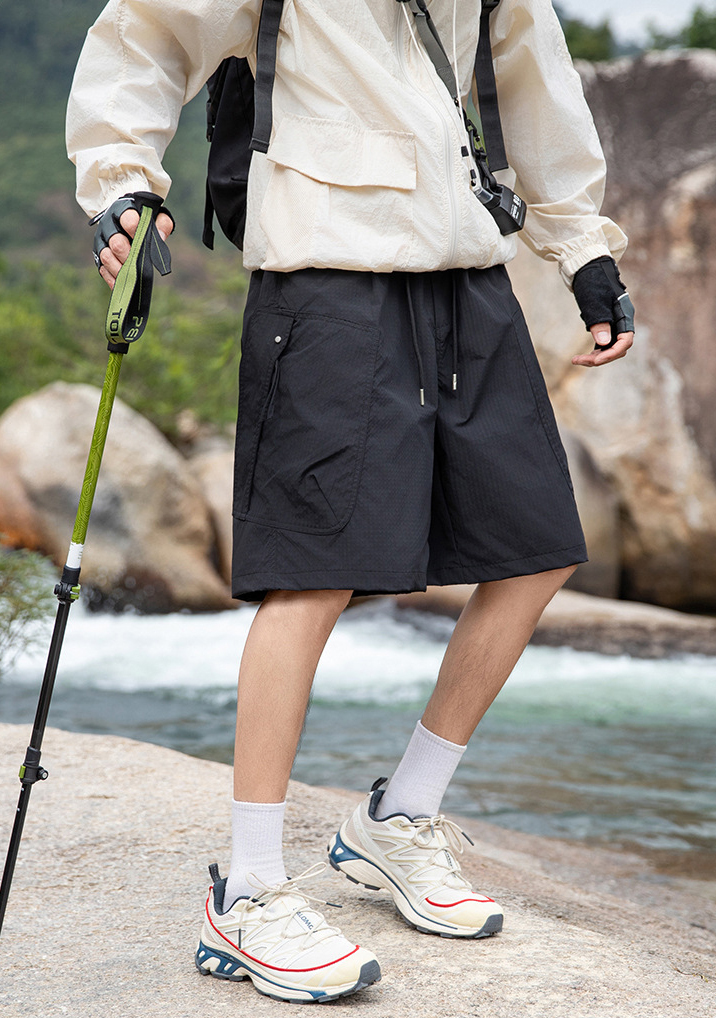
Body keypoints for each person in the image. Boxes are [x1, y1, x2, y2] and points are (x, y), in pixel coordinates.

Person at [67, 0, 634, 1004]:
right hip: (324, 274)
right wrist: (123, 185)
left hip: (466, 265)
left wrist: (582, 247)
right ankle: (247, 891)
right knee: (312, 577)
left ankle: (396, 818)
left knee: (537, 547)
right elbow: (149, 33)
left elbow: (531, 74)